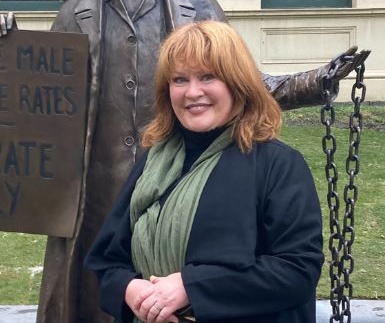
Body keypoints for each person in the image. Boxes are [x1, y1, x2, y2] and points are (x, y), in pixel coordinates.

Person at [0, 0, 367, 322]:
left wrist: (316, 82)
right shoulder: (74, 13)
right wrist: (1, 56)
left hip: (185, 174)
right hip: (95, 189)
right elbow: (39, 105)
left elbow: (249, 81)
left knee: (174, 287)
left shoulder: (197, 5)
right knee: (97, 290)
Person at [85, 20, 324, 323]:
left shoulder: (278, 165)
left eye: (208, 77)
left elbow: (297, 270)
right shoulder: (154, 163)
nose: (192, 92)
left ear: (238, 83)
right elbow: (107, 260)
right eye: (180, 80)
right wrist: (131, 290)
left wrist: (189, 287)